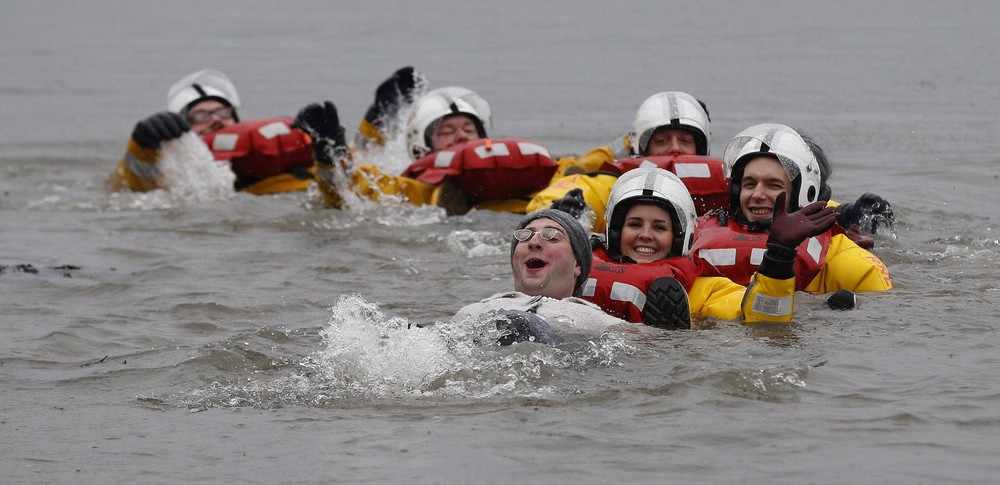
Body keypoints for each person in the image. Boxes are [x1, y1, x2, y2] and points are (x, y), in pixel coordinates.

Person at [580, 167, 837, 328]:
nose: (645, 235)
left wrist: (780, 255)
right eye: (634, 225)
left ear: (681, 237)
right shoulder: (575, 273)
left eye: (659, 228)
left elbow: (763, 320)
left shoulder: (707, 289)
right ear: (614, 231)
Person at [298, 68, 558, 215]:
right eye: (447, 131)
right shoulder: (412, 190)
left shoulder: (526, 174)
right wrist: (328, 155)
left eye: (469, 128)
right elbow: (347, 193)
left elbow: (575, 172)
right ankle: (376, 120)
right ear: (423, 145)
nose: (461, 136)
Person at [690, 123, 893, 297]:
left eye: (773, 185)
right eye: (749, 184)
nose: (757, 195)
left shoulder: (854, 268)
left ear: (802, 194)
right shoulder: (698, 239)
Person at [526, 91, 726, 230]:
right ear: (641, 149)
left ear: (701, 149)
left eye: (684, 140)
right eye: (661, 140)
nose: (674, 148)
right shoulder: (615, 186)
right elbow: (579, 191)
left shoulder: (730, 189)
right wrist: (562, 211)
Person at [107, 69, 315, 195]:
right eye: (200, 117)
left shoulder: (282, 156)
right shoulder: (173, 176)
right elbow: (126, 188)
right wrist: (142, 146)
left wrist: (329, 147)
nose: (215, 120)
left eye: (222, 113)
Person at [452, 209, 627, 345]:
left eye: (552, 236)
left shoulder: (603, 323)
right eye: (525, 236)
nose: (534, 243)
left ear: (577, 264)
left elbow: (650, 347)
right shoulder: (470, 314)